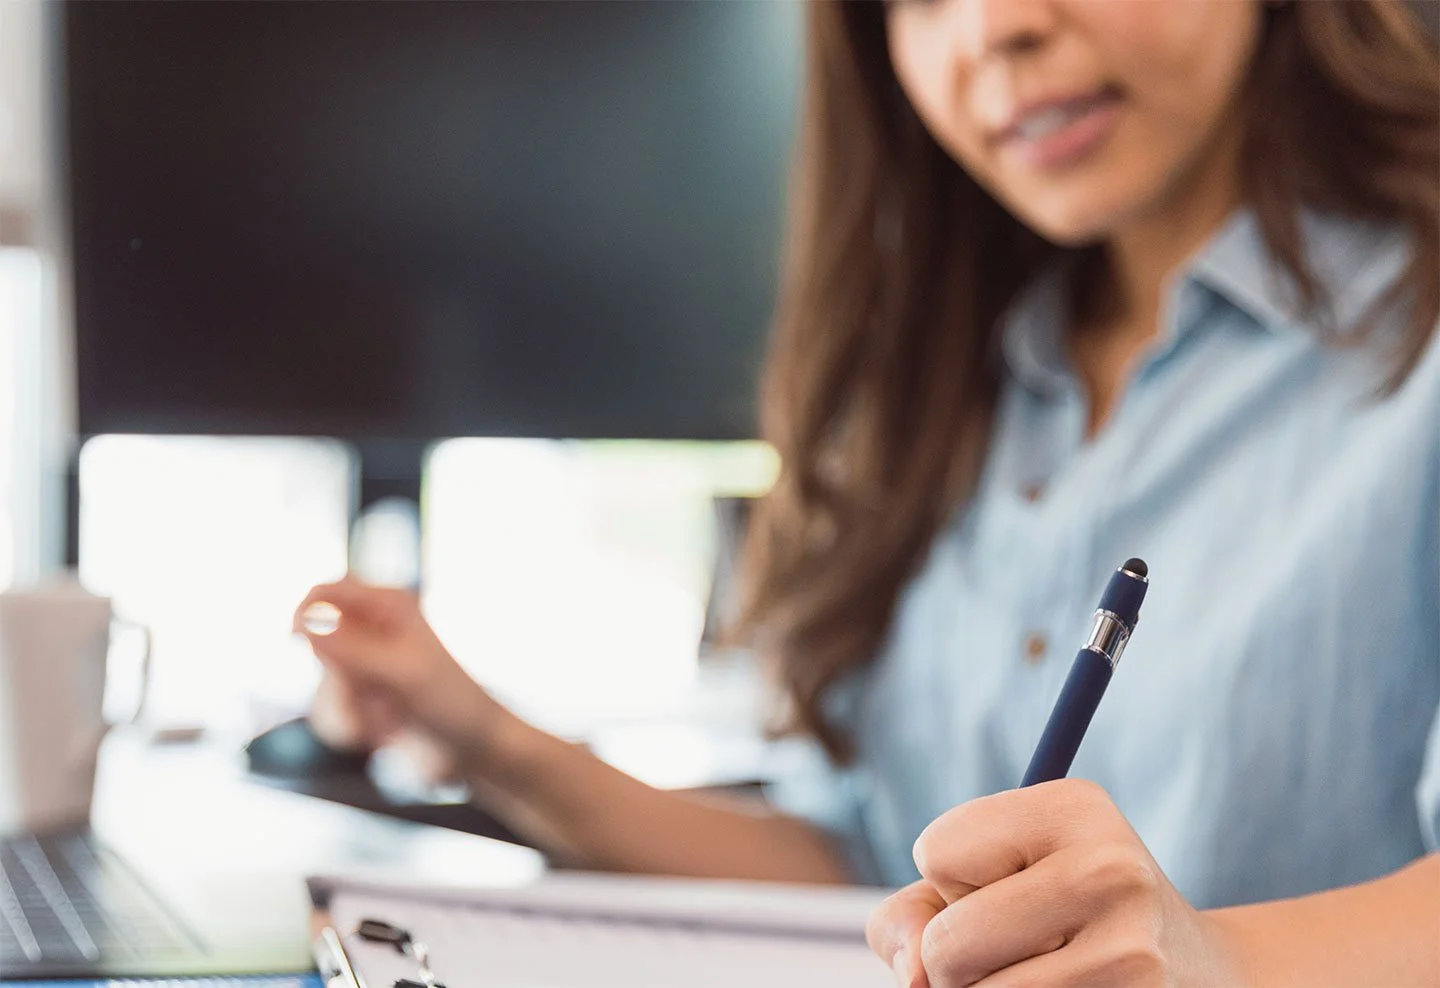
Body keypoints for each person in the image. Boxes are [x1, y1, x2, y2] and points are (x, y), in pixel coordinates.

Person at [295, 0, 1440, 983]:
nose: (996, 31)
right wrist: (488, 738)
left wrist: (1219, 960)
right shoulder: (947, 382)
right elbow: (866, 868)